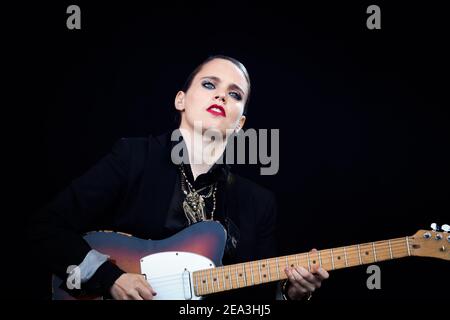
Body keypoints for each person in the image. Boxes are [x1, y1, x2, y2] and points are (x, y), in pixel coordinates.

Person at [29, 55, 329, 300]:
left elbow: (256, 300)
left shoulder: (259, 203)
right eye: (210, 84)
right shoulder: (134, 157)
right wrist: (110, 278)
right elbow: (47, 228)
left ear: (240, 124)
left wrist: (291, 293)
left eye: (235, 94)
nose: (221, 95)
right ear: (181, 101)